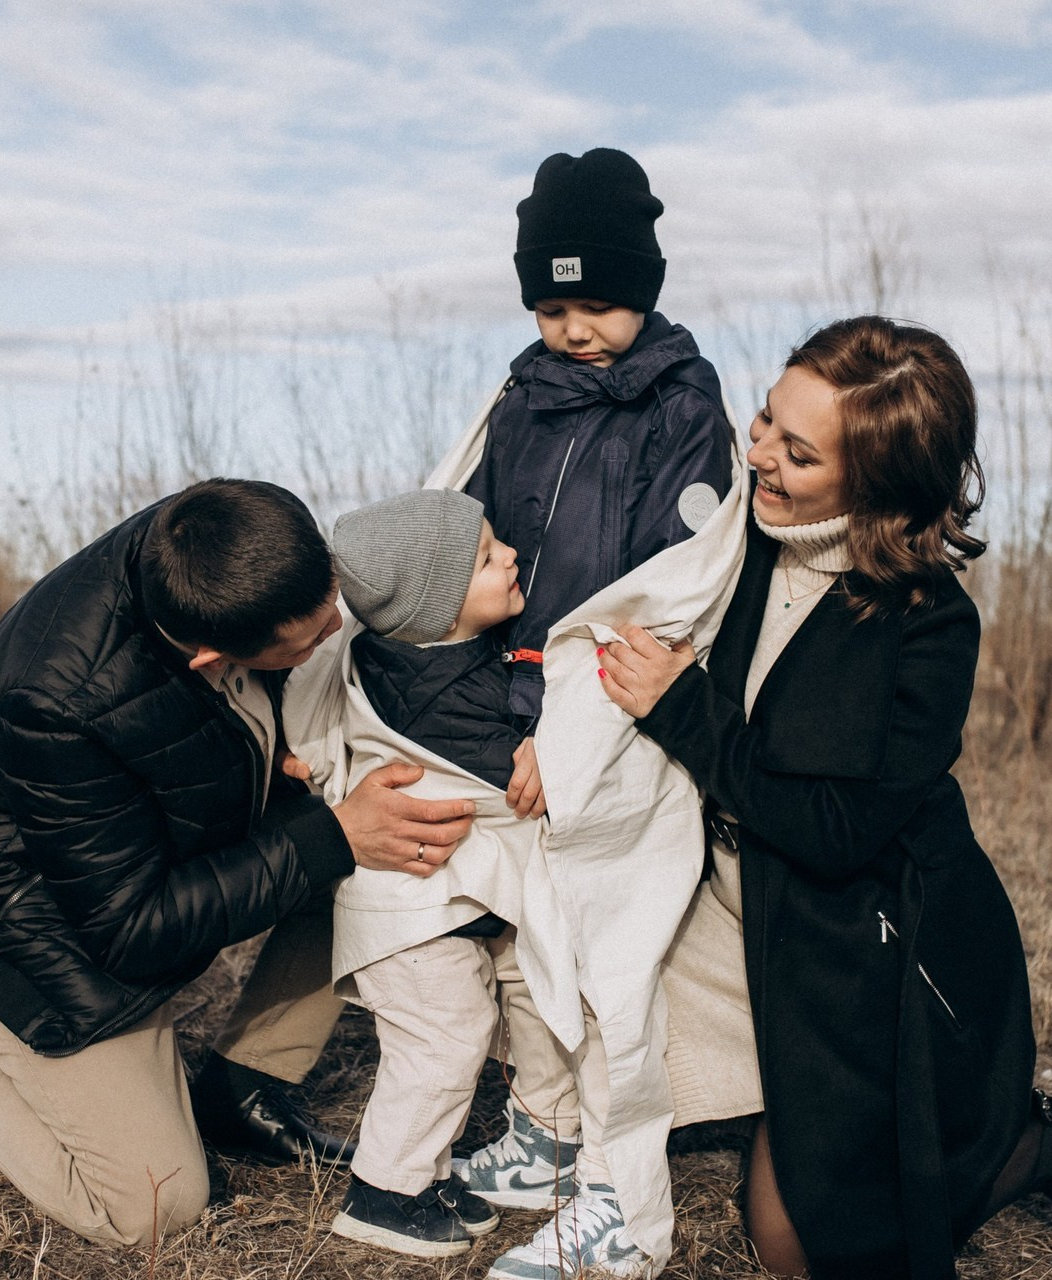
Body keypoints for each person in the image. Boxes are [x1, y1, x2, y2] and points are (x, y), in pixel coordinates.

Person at [598, 315, 1052, 1279]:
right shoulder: (733, 548)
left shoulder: (929, 624)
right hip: (734, 912)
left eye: (797, 452)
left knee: (809, 1247)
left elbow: (842, 832)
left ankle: (1050, 1147)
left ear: (877, 484)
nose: (758, 454)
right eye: (765, 420)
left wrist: (685, 715)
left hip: (867, 942)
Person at [0, 478, 476, 1247]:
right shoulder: (57, 707)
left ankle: (244, 1089)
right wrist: (330, 835)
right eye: (310, 632)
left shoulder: (210, 543)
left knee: (381, 846)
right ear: (214, 656)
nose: (338, 622)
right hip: (35, 930)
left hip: (137, 861)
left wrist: (294, 762)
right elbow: (133, 931)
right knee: (155, 1206)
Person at [456, 145, 737, 1280]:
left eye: (600, 303)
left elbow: (667, 588)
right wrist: (496, 709)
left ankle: (627, 1207)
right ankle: (549, 1133)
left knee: (612, 953)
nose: (575, 327)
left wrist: (565, 733)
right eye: (552, 303)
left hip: (610, 712)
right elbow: (473, 540)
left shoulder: (682, 402)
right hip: (516, 699)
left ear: (647, 290)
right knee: (533, 939)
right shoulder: (520, 395)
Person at [320, 486, 577, 1259]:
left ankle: (423, 1174)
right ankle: (385, 1192)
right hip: (406, 907)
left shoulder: (397, 653)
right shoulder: (446, 690)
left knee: (456, 1027)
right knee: (445, 1034)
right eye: (487, 558)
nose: (511, 557)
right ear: (437, 610)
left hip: (432, 902)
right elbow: (507, 773)